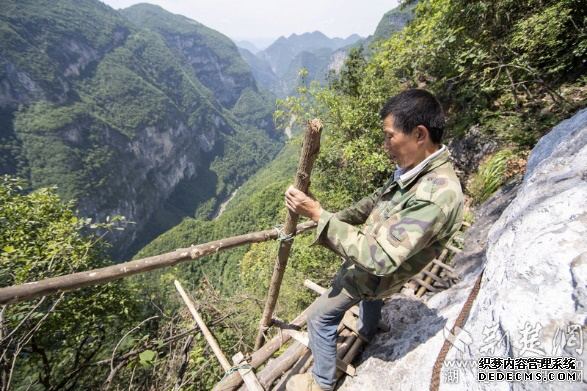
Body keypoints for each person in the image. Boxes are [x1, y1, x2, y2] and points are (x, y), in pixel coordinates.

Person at [284, 89, 464, 391]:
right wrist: (330, 215)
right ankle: (368, 331)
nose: (385, 145)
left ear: (419, 134)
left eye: (389, 136)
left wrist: (319, 216)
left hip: (379, 269)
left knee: (319, 316)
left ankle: (321, 383)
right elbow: (376, 202)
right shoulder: (416, 171)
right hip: (382, 266)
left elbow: (380, 258)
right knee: (371, 299)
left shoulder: (435, 196)